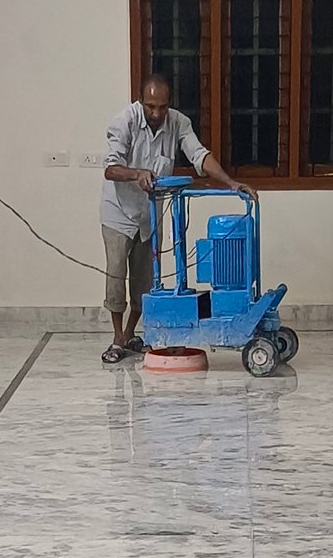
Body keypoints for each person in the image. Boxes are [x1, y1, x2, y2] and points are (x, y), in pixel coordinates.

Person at [100, 73, 249, 364]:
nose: (157, 114)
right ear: (140, 101)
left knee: (145, 280)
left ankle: (130, 335)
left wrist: (231, 184)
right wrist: (137, 173)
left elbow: (199, 155)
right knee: (116, 276)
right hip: (118, 212)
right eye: (150, 107)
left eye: (162, 107)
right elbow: (110, 169)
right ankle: (117, 338)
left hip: (150, 215)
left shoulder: (178, 122)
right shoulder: (124, 122)